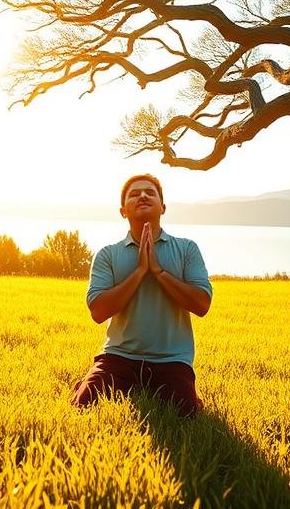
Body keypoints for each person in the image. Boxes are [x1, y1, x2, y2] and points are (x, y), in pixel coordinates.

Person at [71, 174, 213, 417]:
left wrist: (158, 272)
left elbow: (202, 304)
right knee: (83, 405)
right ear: (123, 210)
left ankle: (189, 394)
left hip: (171, 360)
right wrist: (139, 272)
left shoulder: (187, 248)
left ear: (163, 207)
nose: (143, 196)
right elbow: (98, 312)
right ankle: (85, 383)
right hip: (118, 356)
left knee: (186, 414)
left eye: (150, 192)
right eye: (134, 194)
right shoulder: (108, 254)